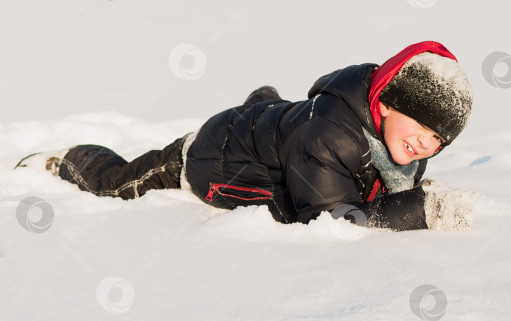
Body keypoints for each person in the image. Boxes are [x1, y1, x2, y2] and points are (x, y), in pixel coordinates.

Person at [15, 41, 474, 231]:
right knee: (118, 184)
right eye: (419, 124)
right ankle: (66, 159)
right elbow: (332, 219)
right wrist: (415, 212)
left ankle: (263, 103)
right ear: (386, 103)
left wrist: (415, 195)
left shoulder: (399, 144)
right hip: (211, 158)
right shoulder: (329, 135)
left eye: (437, 139)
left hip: (281, 136)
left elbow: (373, 185)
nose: (424, 144)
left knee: (272, 117)